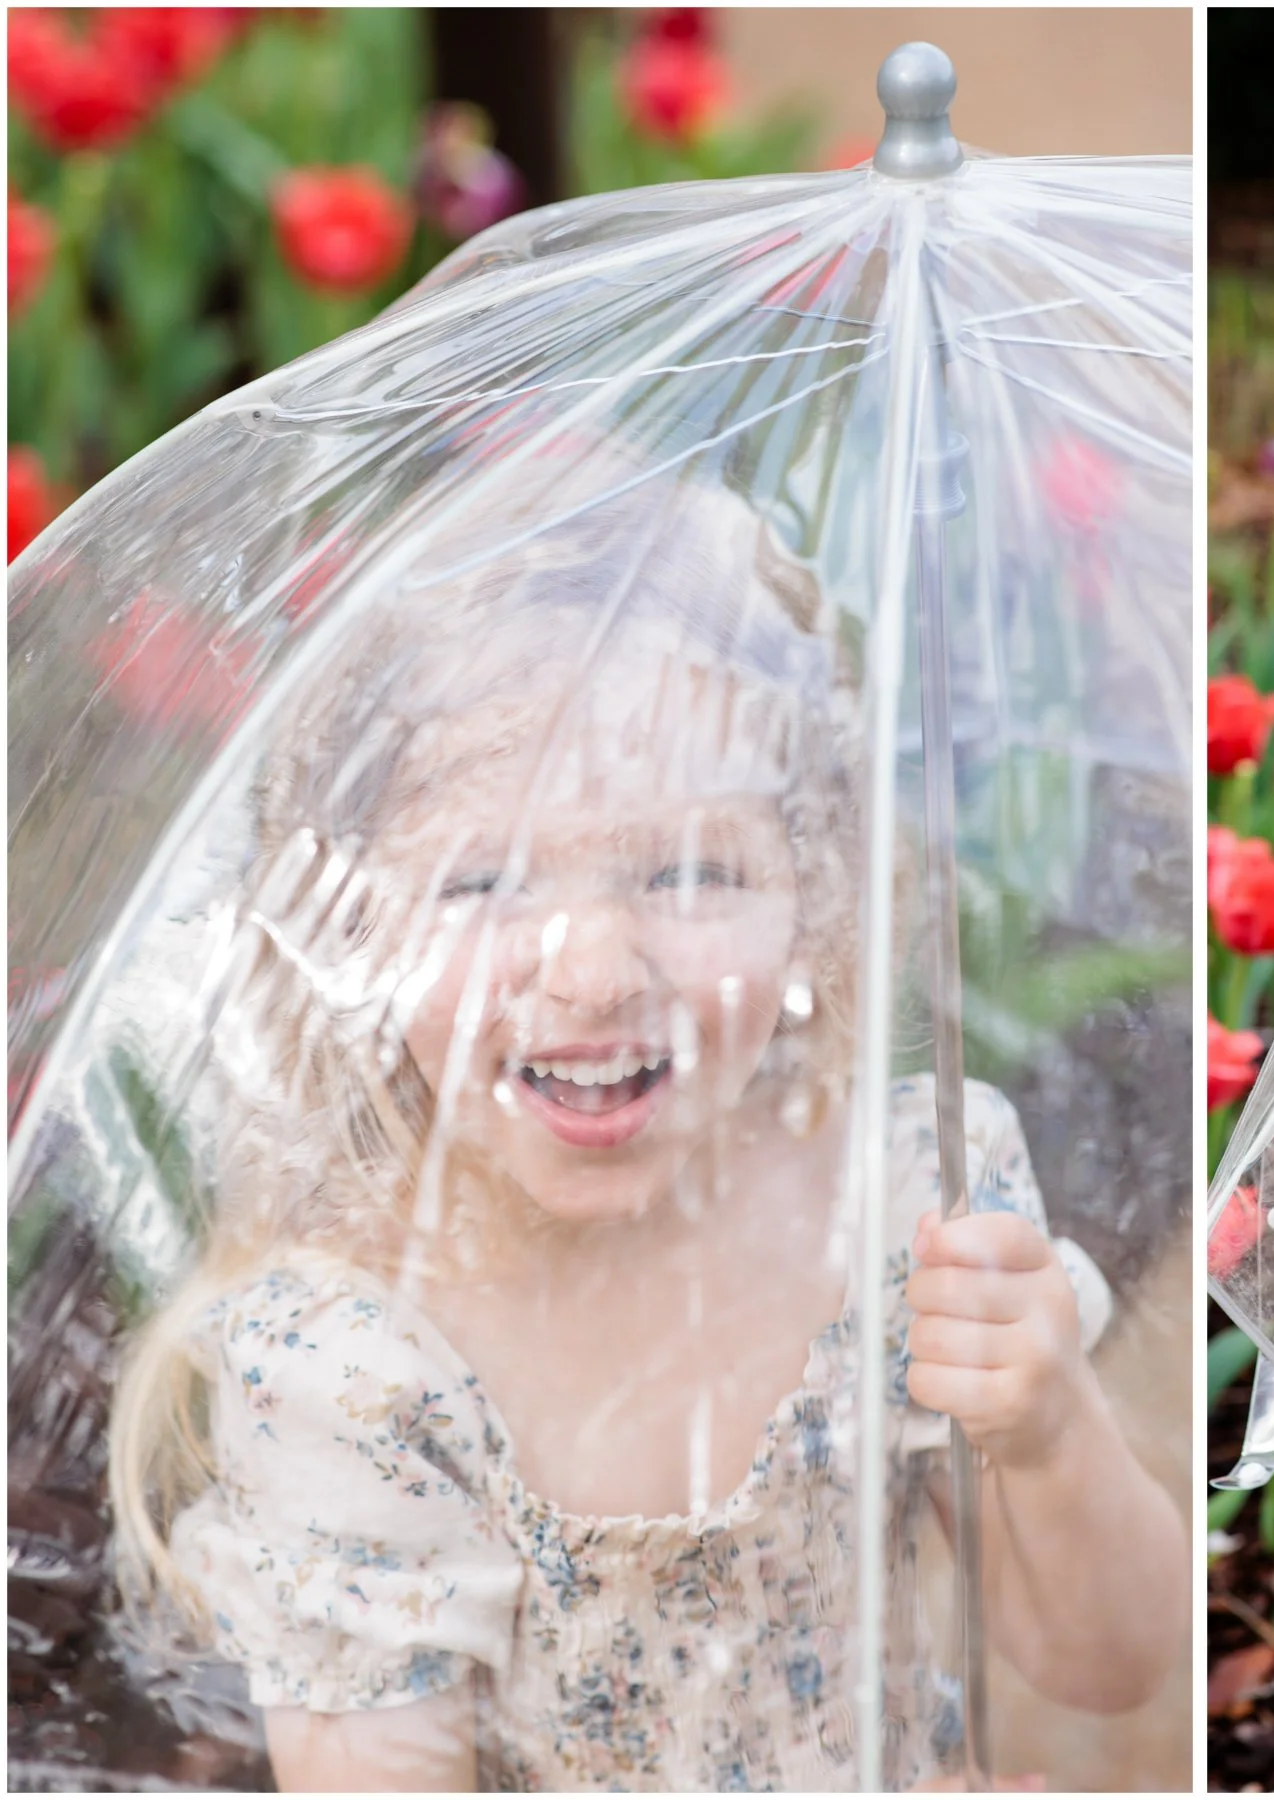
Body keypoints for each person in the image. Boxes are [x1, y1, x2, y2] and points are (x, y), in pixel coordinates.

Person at [105, 466, 1185, 1791]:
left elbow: (1114, 1665)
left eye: (691, 870)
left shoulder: (910, 1196)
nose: (595, 970)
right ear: (350, 921)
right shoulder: (357, 1359)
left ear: (818, 889)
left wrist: (1046, 1430)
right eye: (482, 878)